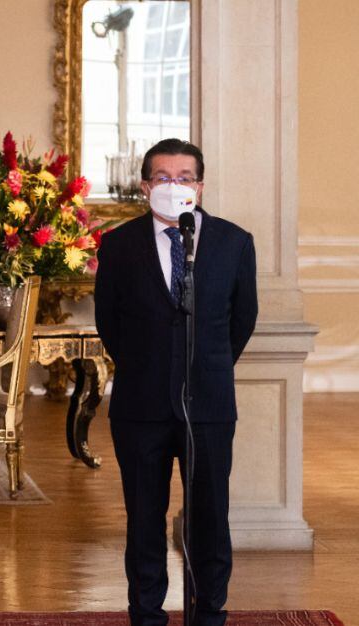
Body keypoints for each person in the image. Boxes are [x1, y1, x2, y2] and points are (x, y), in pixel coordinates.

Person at [94, 138, 258, 625]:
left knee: (209, 516)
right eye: (163, 178)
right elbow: (110, 322)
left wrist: (204, 367)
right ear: (146, 187)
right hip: (140, 406)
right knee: (144, 517)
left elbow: (241, 320)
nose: (174, 186)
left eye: (184, 178)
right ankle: (146, 613)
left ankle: (209, 611)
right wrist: (148, 365)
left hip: (207, 404)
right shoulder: (119, 244)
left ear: (200, 187)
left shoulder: (233, 242)